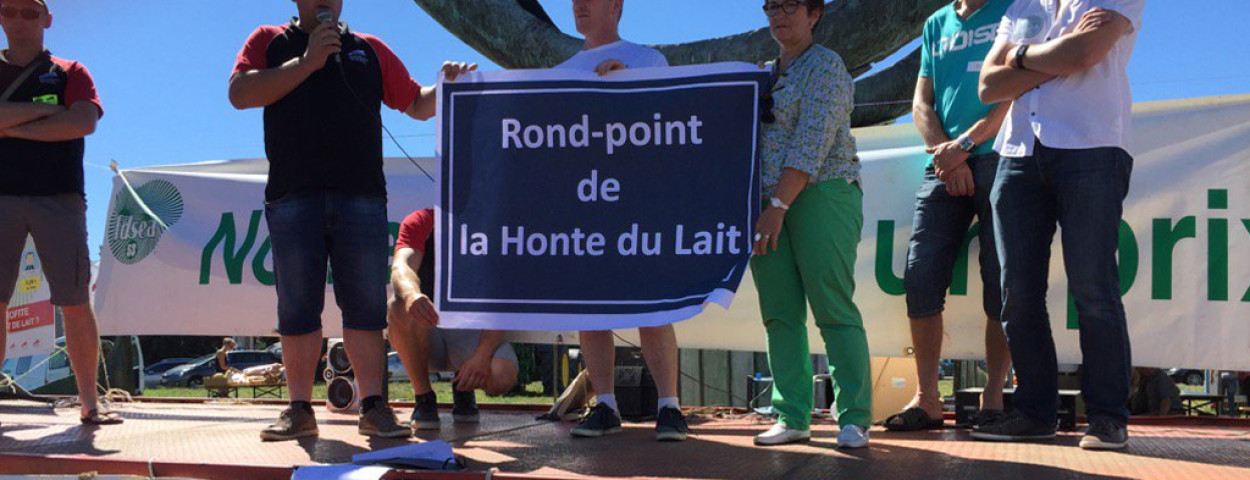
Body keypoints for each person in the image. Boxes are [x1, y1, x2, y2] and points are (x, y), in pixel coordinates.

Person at [228, 0, 474, 441]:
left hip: (361, 198)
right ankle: (299, 409)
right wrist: (307, 62)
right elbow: (240, 93)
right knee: (297, 307)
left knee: (365, 307)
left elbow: (416, 103)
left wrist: (446, 87)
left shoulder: (368, 48)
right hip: (293, 196)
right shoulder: (269, 41)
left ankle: (373, 406)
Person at [974, 0, 1144, 450]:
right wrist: (1057, 56)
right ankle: (1034, 413)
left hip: (1092, 146)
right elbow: (988, 86)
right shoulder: (1020, 6)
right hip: (1017, 154)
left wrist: (1019, 58)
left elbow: (1085, 53)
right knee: (1017, 294)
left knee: (1093, 288)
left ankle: (1108, 418)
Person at [552, 0, 687, 442]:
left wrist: (630, 89)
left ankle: (670, 407)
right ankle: (605, 405)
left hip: (638, 203)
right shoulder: (561, 73)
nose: (579, 5)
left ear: (615, 5)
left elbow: (674, 126)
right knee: (591, 307)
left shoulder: (649, 60)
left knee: (652, 305)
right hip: (585, 205)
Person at [885, 0, 1013, 432]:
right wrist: (947, 153)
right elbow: (921, 103)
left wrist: (966, 146)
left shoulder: (1016, 8)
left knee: (1001, 280)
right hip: (942, 165)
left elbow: (1017, 91)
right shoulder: (936, 23)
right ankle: (927, 399)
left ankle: (994, 395)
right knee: (920, 278)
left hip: (1001, 158)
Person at [750, 0, 871, 449]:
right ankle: (791, 415)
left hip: (822, 193)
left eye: (790, 5)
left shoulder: (827, 65)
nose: (778, 15)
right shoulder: (761, 74)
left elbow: (811, 143)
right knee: (779, 314)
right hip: (766, 204)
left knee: (833, 308)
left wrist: (778, 204)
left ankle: (854, 418)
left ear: (814, 14)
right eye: (771, 6)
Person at [0, 0, 120, 426]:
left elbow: (83, 121)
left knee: (74, 300)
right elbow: (66, 118)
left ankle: (90, 404)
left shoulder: (71, 71)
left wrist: (10, 126)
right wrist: (50, 110)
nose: (20, 18)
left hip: (60, 198)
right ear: (0, 16)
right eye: (10, 10)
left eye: (31, 12)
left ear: (47, 20)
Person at [387, 208, 520, 430]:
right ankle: (424, 398)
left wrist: (482, 356)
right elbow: (401, 267)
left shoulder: (492, 223)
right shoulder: (422, 219)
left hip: (470, 329)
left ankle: (463, 387)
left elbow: (503, 297)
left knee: (501, 375)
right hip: (428, 325)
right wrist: (412, 296)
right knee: (398, 305)